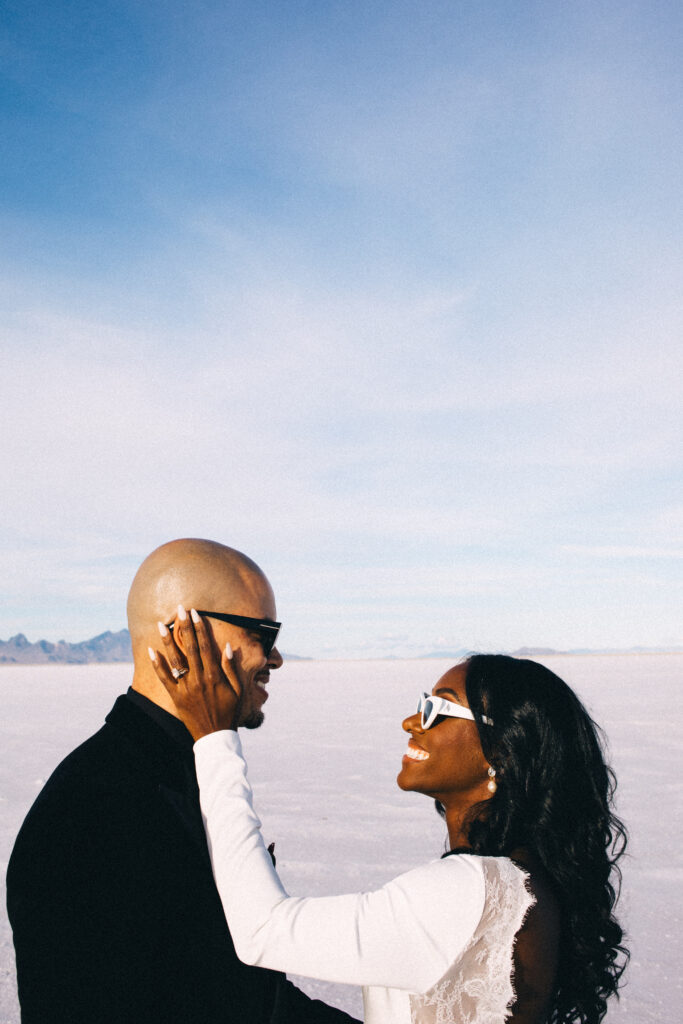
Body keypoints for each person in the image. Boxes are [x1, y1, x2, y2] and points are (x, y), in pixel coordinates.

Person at [150, 612, 629, 1024]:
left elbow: (263, 931)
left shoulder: (470, 890)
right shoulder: (518, 882)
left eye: (438, 708)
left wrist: (213, 738)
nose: (412, 721)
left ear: (501, 757)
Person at [6, 539, 360, 1024]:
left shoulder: (181, 770)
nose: (276, 658)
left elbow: (243, 996)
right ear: (181, 634)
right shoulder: (94, 810)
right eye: (264, 632)